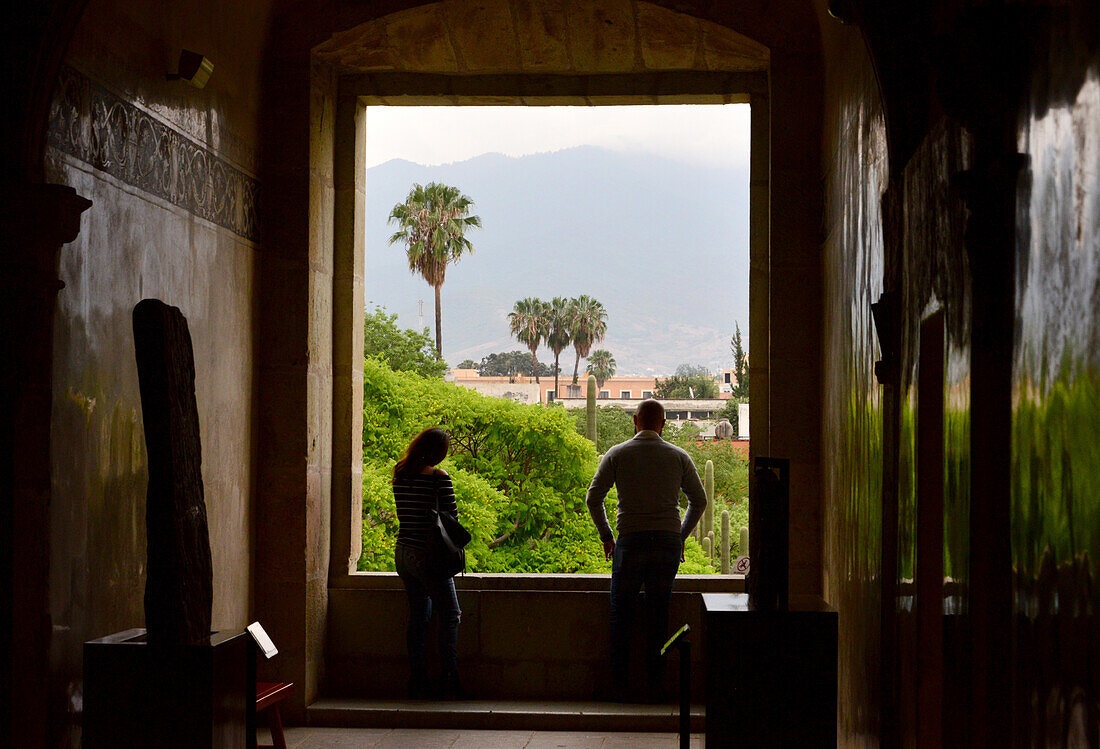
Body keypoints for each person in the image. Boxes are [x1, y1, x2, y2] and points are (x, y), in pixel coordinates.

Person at [586, 399, 707, 702]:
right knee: (658, 615)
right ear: (663, 424)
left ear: (636, 421)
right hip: (666, 544)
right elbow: (699, 500)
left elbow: (593, 498)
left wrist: (606, 535)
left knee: (621, 615)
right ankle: (655, 685)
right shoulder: (679, 456)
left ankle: (619, 686)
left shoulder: (617, 454)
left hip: (630, 540)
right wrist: (679, 537)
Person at [393, 427, 462, 699]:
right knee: (450, 615)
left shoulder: (401, 474)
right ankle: (449, 681)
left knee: (419, 617)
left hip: (403, 552)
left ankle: (417, 680)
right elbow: (451, 517)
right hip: (429, 555)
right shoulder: (438, 477)